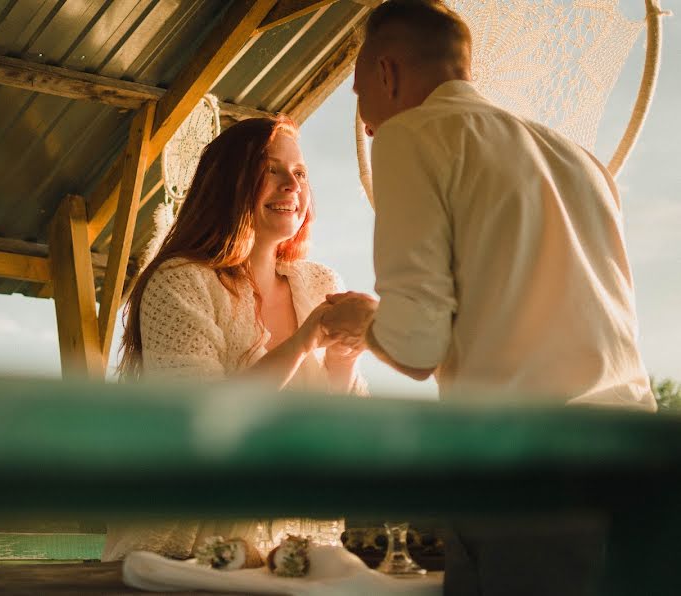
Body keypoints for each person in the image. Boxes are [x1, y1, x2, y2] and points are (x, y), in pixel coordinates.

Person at [321, 0, 656, 594]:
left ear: (386, 73)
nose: (365, 117)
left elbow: (417, 346)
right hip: (636, 469)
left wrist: (362, 319)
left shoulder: (410, 136)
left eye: (356, 92)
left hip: (529, 475)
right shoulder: (581, 161)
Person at [100, 115, 365, 562]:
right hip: (186, 549)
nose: (291, 185)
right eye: (270, 169)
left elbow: (342, 435)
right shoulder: (180, 282)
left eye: (299, 173)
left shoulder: (319, 283)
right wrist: (304, 340)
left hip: (295, 551)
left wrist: (343, 357)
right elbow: (205, 422)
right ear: (228, 183)